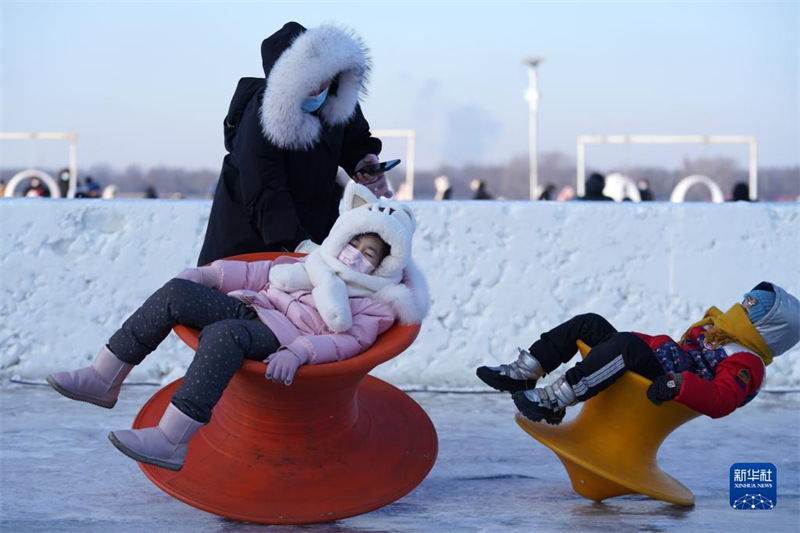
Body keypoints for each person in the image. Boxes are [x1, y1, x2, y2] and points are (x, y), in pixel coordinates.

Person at [47, 183, 429, 471]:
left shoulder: (377, 302)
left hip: (281, 338)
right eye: (354, 245)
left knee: (223, 334)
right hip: (252, 303)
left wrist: (300, 351)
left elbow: (349, 342)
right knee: (177, 292)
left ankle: (172, 437)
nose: (355, 257)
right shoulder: (315, 260)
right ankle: (105, 376)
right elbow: (260, 270)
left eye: (368, 255)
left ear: (384, 264)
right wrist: (210, 275)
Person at [198, 22, 389, 266]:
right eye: (309, 80)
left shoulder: (337, 95)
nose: (321, 86)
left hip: (313, 233)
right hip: (247, 242)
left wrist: (363, 161)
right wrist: (299, 244)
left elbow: (355, 139)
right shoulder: (262, 114)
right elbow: (264, 187)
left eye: (324, 76)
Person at [476, 282, 799, 425]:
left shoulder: (747, 361)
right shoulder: (722, 331)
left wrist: (677, 384)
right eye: (745, 303)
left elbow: (723, 398)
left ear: (767, 329)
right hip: (655, 360)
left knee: (626, 346)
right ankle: (525, 372)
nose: (741, 308)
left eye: (750, 310)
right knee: (590, 324)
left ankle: (556, 399)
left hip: (663, 386)